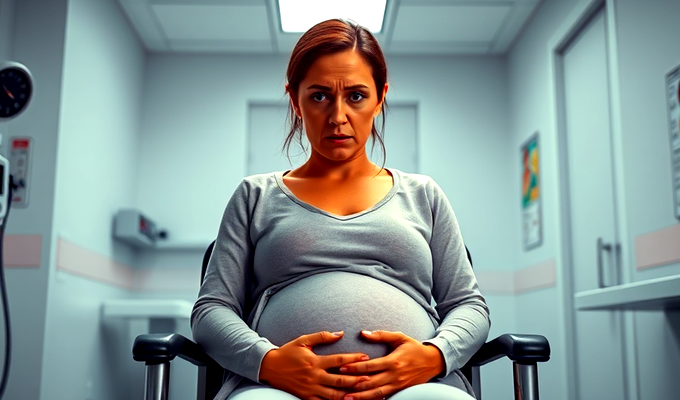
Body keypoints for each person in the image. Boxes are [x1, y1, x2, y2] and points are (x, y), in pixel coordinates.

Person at [191, 19, 490, 400]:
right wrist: (269, 363)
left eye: (356, 96)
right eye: (318, 96)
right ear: (294, 100)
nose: (337, 116)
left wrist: (433, 356)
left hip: (415, 386)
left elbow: (469, 306)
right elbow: (211, 311)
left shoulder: (424, 195)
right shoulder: (255, 195)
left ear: (380, 97)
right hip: (278, 388)